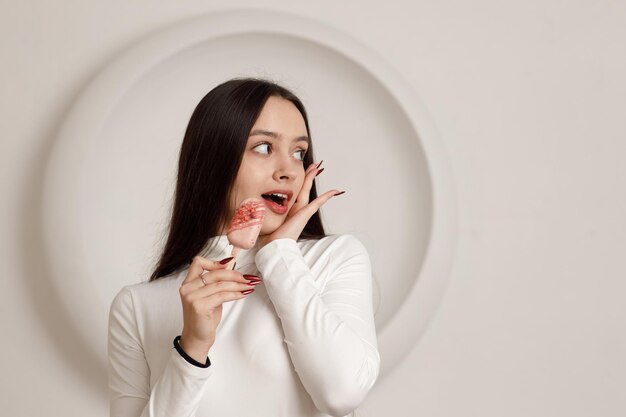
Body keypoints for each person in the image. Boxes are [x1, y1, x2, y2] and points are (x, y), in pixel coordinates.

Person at [108, 77, 380, 417]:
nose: (289, 172)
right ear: (213, 161)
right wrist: (192, 348)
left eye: (299, 153)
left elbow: (342, 393)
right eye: (264, 147)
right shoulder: (137, 305)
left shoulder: (335, 258)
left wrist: (278, 253)